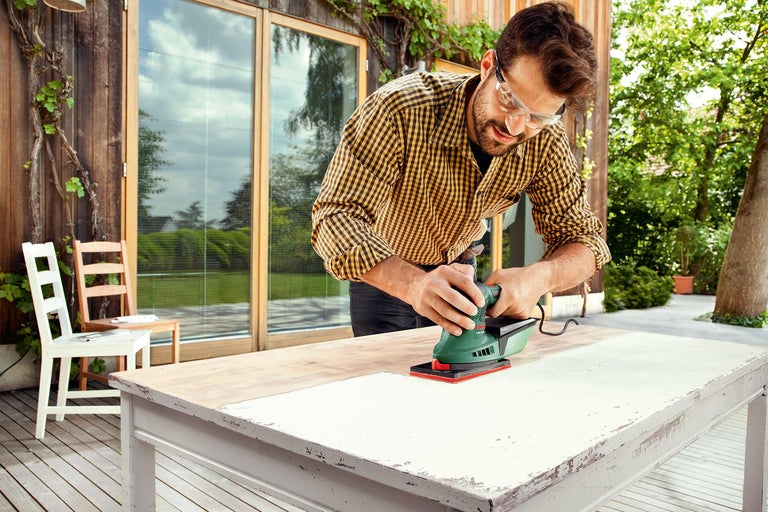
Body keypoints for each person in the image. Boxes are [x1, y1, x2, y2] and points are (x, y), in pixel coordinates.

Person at [311, 1, 611, 337]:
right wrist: (413, 284)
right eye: (509, 99)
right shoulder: (399, 109)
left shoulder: (546, 139)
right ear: (488, 66)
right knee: (385, 382)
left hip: (461, 269)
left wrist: (539, 278)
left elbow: (585, 241)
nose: (515, 126)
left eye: (537, 117)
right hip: (386, 274)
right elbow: (334, 217)